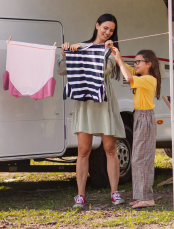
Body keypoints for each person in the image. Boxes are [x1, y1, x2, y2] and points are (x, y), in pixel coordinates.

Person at [57, 13, 126, 208]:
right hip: (86, 100)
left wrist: (105, 51)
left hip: (104, 101)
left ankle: (114, 192)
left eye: (111, 30)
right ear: (97, 25)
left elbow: (104, 69)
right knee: (83, 150)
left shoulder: (111, 51)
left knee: (110, 149)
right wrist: (67, 53)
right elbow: (63, 71)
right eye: (105, 28)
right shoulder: (80, 46)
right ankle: (80, 195)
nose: (108, 32)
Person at [113, 48, 161, 209]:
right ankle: (141, 196)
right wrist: (115, 54)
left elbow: (127, 76)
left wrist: (119, 57)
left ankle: (147, 197)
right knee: (138, 159)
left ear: (149, 64)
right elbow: (126, 68)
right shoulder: (142, 75)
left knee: (143, 159)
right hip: (139, 117)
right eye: (135, 61)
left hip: (145, 117)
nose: (136, 64)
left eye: (139, 61)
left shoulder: (149, 79)